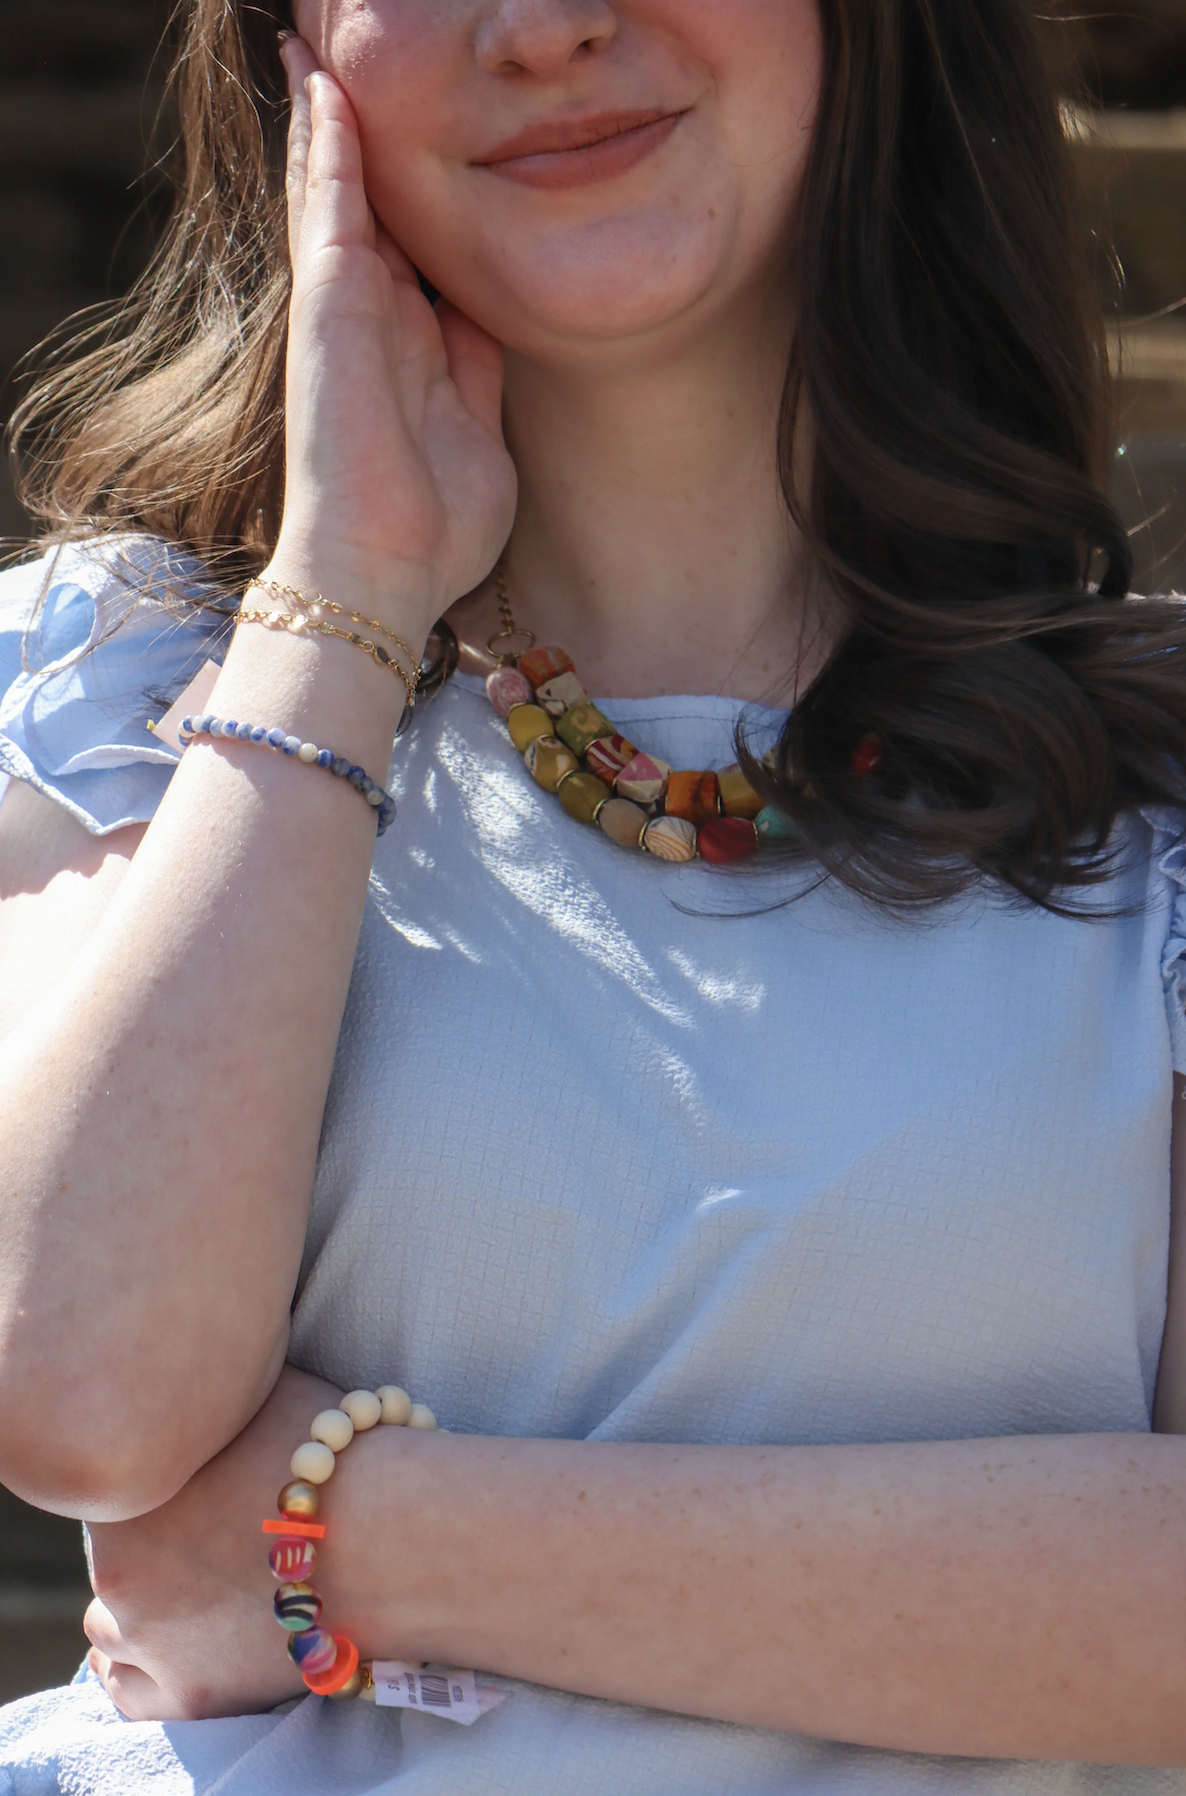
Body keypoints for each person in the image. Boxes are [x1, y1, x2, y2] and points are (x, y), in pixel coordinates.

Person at [1, 0, 1186, 1790]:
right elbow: (84, 1405)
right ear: (289, 48)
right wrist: (344, 597)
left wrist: (357, 1539)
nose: (545, 26)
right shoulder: (124, 686)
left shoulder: (1156, 795)